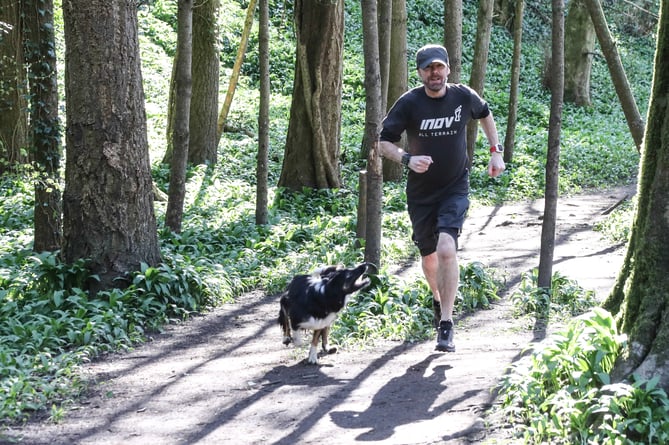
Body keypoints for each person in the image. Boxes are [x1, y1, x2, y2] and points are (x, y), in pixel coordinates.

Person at [378, 44, 506, 352]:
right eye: (428, 68)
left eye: (439, 67)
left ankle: (447, 324)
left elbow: (485, 114)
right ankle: (438, 299)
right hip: (421, 194)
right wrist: (406, 158)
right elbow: (383, 142)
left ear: (447, 69)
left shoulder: (463, 96)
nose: (434, 73)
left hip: (454, 187)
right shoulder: (409, 103)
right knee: (429, 258)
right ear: (420, 72)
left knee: (447, 247)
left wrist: (495, 152)